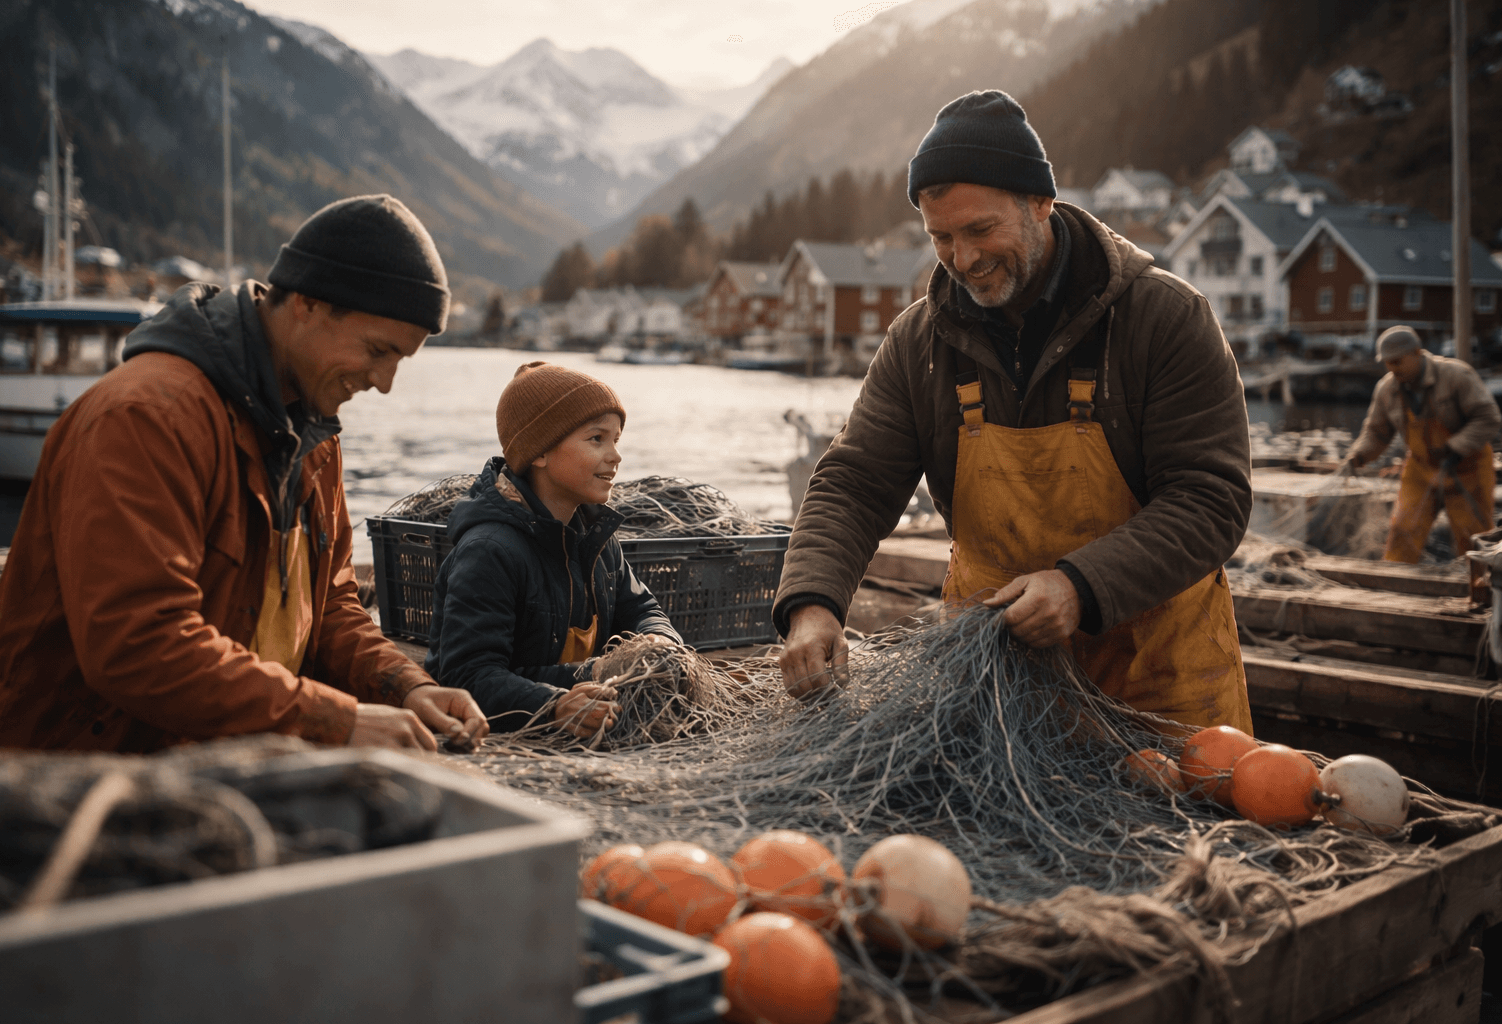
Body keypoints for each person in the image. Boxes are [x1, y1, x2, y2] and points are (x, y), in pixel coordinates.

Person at [775, 89, 1253, 733]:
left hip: (1158, 681)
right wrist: (814, 603)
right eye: (941, 237)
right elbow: (855, 483)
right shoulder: (919, 341)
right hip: (993, 686)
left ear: (1041, 202)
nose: (963, 259)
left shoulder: (1166, 318)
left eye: (980, 230)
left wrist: (1080, 586)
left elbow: (1210, 499)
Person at [0, 195, 487, 753]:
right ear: (307, 303)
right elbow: (139, 644)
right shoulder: (146, 417)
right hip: (59, 772)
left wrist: (405, 685)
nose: (384, 382)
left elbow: (330, 608)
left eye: (399, 361)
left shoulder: (315, 434)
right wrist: (337, 720)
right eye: (378, 351)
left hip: (202, 759)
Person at [424, 362, 681, 737]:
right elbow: (468, 676)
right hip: (504, 734)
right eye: (597, 439)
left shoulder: (597, 537)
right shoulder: (489, 551)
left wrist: (659, 641)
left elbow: (642, 608)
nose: (615, 456)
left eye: (616, 440)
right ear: (539, 452)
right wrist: (554, 705)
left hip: (587, 714)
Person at [1347, 325, 1500, 605]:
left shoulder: (1456, 375)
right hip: (1420, 468)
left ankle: (1481, 597)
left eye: (1397, 361)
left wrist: (1456, 447)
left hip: (1467, 468)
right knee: (1402, 532)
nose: (1392, 368)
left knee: (1472, 538)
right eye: (1387, 363)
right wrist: (1359, 455)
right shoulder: (1387, 389)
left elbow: (1488, 418)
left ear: (1417, 353)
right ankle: (1393, 597)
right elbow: (1376, 432)